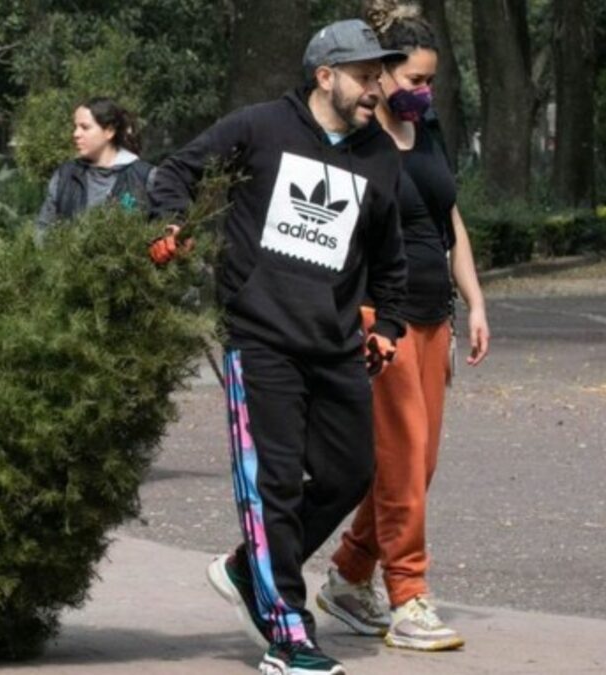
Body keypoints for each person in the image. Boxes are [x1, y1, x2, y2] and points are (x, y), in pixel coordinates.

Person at [149, 19, 408, 675]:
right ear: (326, 76)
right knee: (275, 488)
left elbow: (389, 256)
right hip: (260, 337)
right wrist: (169, 221)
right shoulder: (260, 127)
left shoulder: (378, 154)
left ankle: (247, 567)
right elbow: (177, 168)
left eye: (379, 74)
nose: (376, 86)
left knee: (351, 473)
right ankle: (289, 633)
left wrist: (387, 327)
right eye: (365, 74)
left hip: (334, 342)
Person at [315, 1, 490, 652]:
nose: (425, 92)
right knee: (402, 459)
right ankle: (409, 594)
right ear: (382, 75)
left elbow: (452, 223)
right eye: (415, 80)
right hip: (379, 318)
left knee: (420, 464)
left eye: (431, 81)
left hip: (433, 312)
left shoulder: (431, 130)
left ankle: (350, 572)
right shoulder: (359, 142)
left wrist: (473, 301)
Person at [35, 97, 156, 233]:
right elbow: (43, 229)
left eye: (85, 127)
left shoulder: (145, 177)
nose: (76, 134)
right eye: (75, 127)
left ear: (109, 131)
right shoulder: (65, 175)